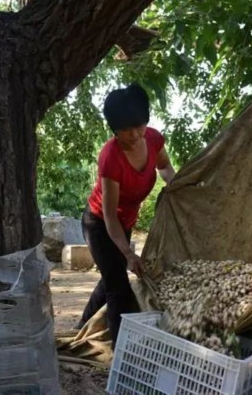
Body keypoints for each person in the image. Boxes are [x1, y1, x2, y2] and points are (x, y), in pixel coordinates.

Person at [76, 83, 175, 345]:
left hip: (126, 221)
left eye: (139, 126)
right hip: (98, 223)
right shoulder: (110, 156)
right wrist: (129, 253)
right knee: (118, 287)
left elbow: (166, 169)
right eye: (125, 129)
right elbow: (109, 215)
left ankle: (81, 325)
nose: (134, 134)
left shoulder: (153, 139)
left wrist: (177, 189)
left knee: (112, 275)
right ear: (114, 129)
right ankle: (121, 351)